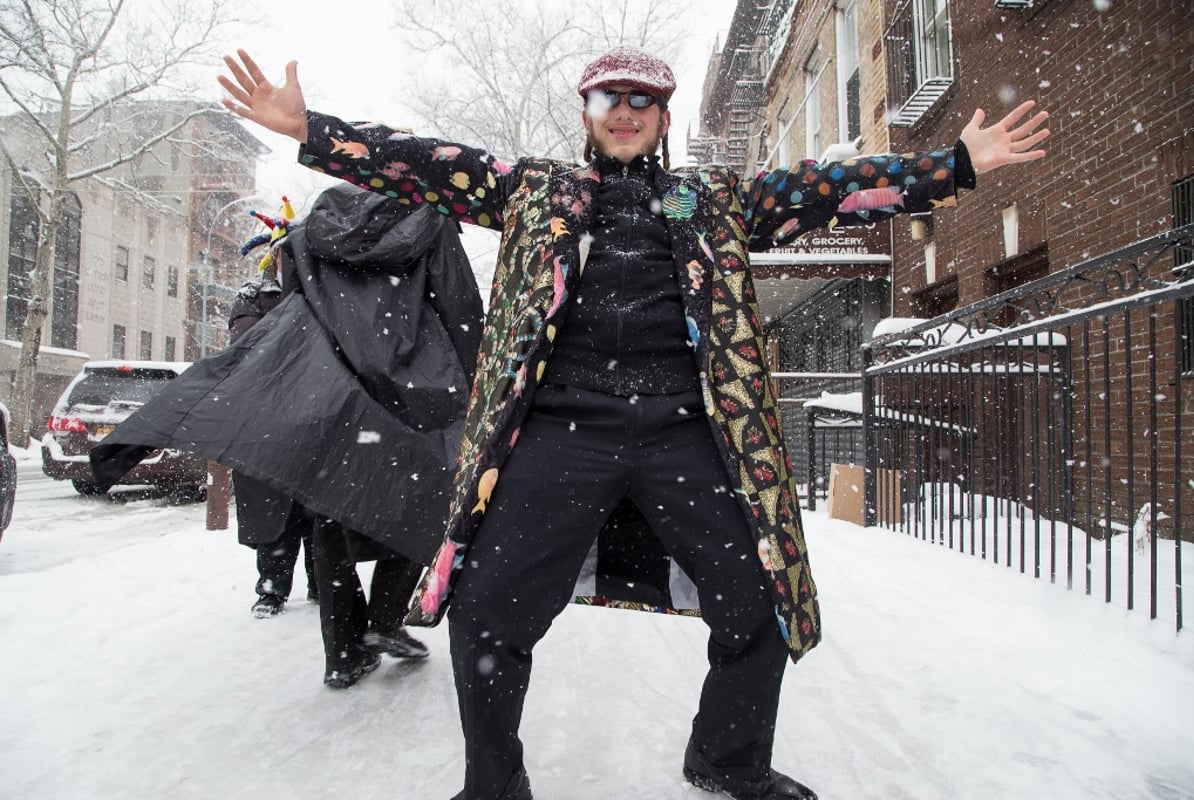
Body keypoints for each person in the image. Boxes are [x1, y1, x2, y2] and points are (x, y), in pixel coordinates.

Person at [219, 44, 1049, 800]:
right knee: (486, 613)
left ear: (662, 117)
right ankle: (493, 785)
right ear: (586, 111)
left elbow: (831, 192)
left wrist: (955, 166)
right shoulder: (534, 190)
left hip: (684, 430)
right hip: (557, 430)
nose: (624, 110)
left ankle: (726, 759)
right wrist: (312, 131)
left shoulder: (713, 200)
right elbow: (424, 165)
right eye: (608, 97)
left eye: (642, 100)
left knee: (762, 599)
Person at [90, 182, 484, 689]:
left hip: (335, 390)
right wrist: (478, 380)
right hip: (417, 388)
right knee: (424, 496)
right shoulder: (429, 220)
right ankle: (385, 619)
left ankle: (344, 652)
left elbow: (295, 316)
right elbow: (461, 309)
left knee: (329, 513)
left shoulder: (311, 232)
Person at [227, 255, 318, 618]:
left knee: (319, 511)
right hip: (267, 423)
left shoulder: (321, 288)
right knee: (273, 512)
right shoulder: (253, 296)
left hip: (315, 419)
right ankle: (271, 589)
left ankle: (322, 583)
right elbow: (251, 345)